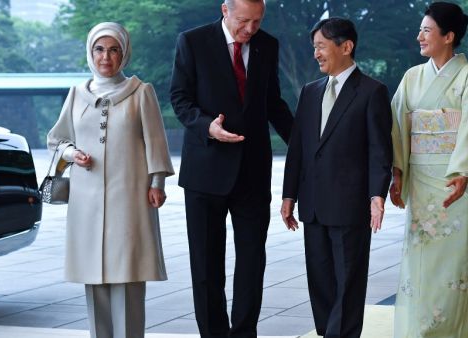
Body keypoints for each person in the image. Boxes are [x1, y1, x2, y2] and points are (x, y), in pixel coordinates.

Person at [169, 0, 293, 336]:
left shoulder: (267, 44)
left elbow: (273, 102)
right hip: (205, 171)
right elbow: (180, 98)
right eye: (243, 21)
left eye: (257, 21)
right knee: (207, 266)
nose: (250, 29)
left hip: (252, 172)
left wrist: (304, 146)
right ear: (225, 10)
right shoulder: (192, 41)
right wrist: (207, 126)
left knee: (252, 262)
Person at [47, 22, 174, 338]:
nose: (106, 57)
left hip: (130, 199)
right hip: (86, 202)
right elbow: (58, 139)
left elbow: (155, 142)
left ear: (124, 53)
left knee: (128, 276)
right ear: (90, 53)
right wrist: (71, 152)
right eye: (99, 49)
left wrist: (157, 183)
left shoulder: (140, 92)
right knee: (95, 278)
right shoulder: (77, 95)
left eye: (114, 49)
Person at [389, 2, 468, 337]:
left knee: (454, 266)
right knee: (421, 266)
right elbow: (396, 126)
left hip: (455, 186)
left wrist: (464, 169)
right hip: (422, 181)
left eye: (426, 30)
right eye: (420, 29)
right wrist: (397, 171)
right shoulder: (411, 77)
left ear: (448, 36)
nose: (419, 35)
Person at [281, 17, 392, 338]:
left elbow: (379, 151)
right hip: (313, 205)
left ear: (346, 46)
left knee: (348, 281)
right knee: (320, 280)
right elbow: (298, 149)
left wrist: (377, 196)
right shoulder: (309, 92)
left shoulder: (372, 91)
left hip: (350, 204)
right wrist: (289, 196)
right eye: (314, 47)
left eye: (321, 46)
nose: (315, 53)